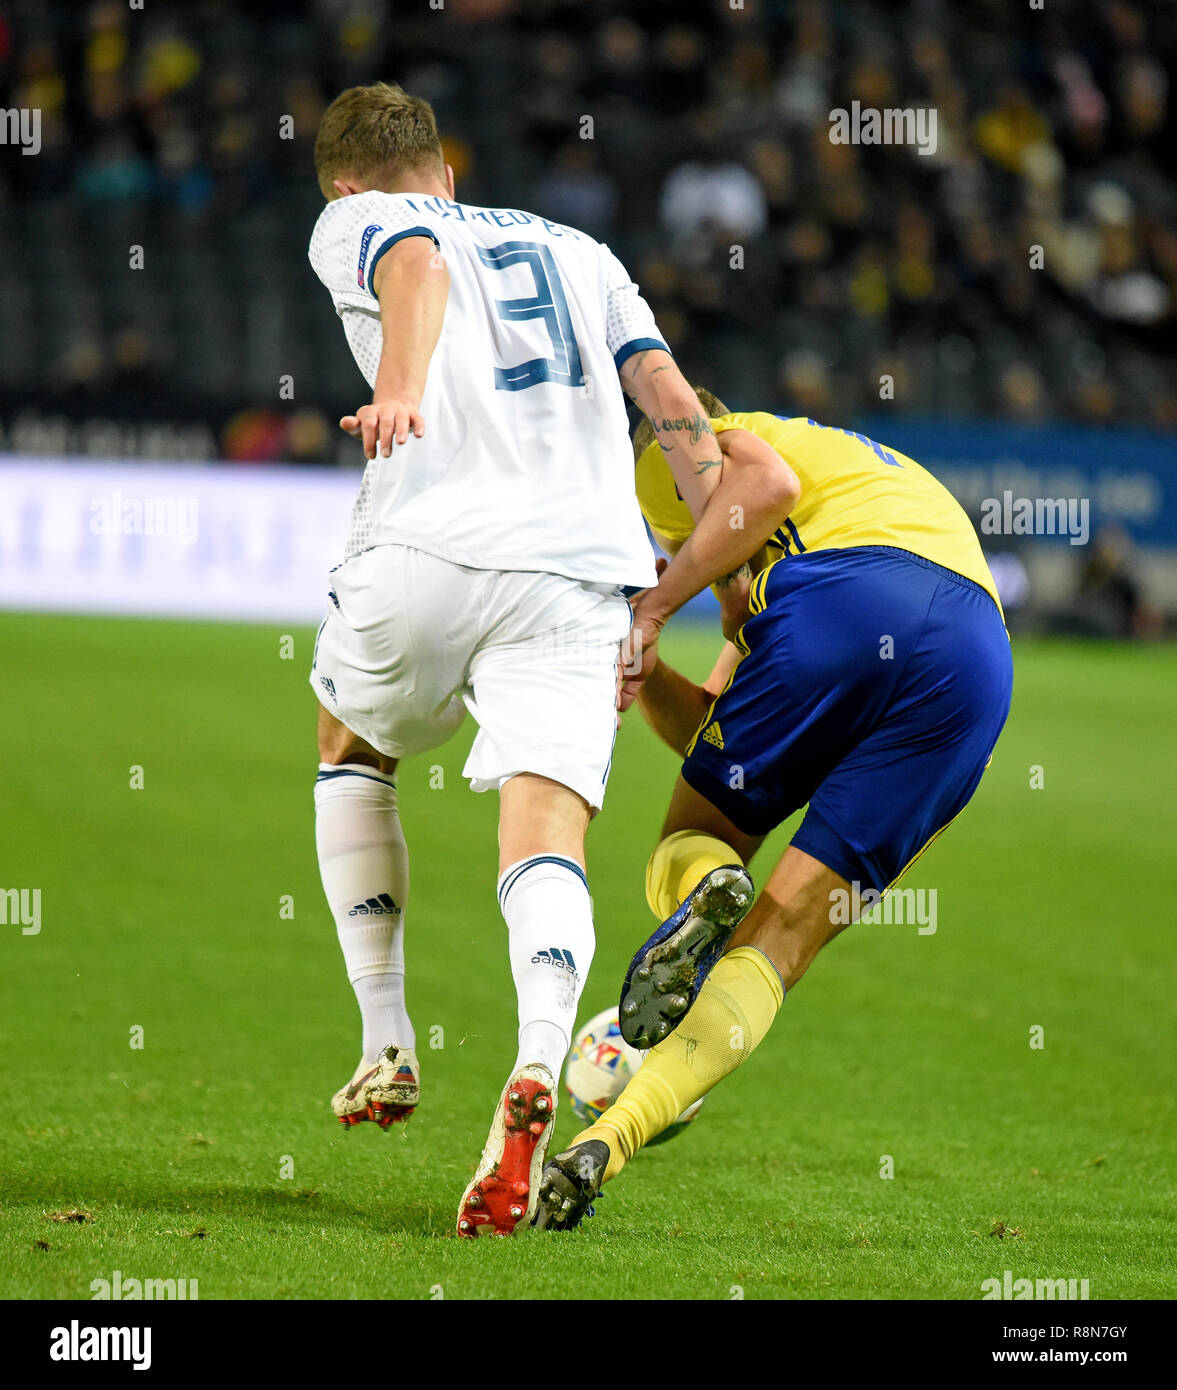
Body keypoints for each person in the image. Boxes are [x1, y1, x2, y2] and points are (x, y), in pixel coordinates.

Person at [305, 88, 796, 1236]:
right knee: (546, 835)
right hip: (581, 579)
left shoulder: (356, 216)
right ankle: (533, 1066)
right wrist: (710, 585)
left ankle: (385, 1036)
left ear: (350, 181)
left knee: (351, 744)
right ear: (450, 163)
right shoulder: (583, 251)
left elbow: (417, 261)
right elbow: (672, 403)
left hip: (426, 543)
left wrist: (399, 391)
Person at [536, 389, 1014, 1229]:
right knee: (779, 945)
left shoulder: (681, 440)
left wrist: (647, 607)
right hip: (971, 662)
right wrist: (650, 676)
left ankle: (709, 886)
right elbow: (715, 734)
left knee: (690, 840)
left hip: (845, 599)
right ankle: (608, 1142)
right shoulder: (848, 489)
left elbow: (763, 489)